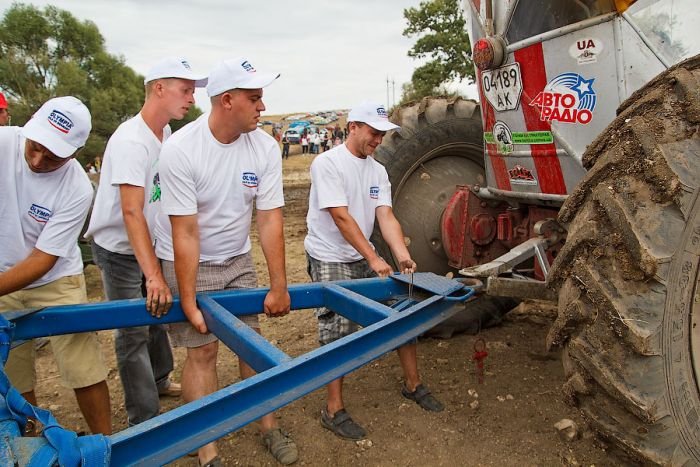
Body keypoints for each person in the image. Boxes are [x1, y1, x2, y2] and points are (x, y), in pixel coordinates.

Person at [155, 57, 298, 466]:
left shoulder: (266, 147)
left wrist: (278, 284)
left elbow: (269, 218)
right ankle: (207, 449)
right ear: (227, 100)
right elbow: (185, 232)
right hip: (190, 260)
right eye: (255, 99)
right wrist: (187, 298)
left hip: (236, 257)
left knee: (251, 344)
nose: (262, 107)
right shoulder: (181, 150)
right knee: (201, 353)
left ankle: (268, 425)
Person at [304, 101, 444, 441]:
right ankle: (333, 409)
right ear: (352, 127)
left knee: (402, 309)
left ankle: (413, 385)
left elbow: (385, 215)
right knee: (336, 327)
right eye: (373, 133)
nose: (378, 140)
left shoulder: (377, 170)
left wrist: (401, 255)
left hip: (361, 253)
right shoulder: (327, 164)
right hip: (330, 254)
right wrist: (373, 257)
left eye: (382, 134)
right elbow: (341, 217)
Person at [85, 57, 207, 426]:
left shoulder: (165, 134)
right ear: (159, 88)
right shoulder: (130, 141)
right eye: (185, 90)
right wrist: (153, 273)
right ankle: (145, 417)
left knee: (157, 315)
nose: (190, 98)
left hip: (147, 242)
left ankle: (159, 379)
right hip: (119, 249)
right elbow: (131, 212)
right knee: (132, 329)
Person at [0, 96, 111, 435]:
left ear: (75, 152)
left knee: (83, 367)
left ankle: (104, 443)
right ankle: (30, 443)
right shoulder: (4, 142)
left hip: (54, 279)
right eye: (35, 147)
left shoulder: (77, 187)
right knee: (13, 374)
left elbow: (42, 259)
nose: (37, 159)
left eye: (51, 157)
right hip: (3, 274)